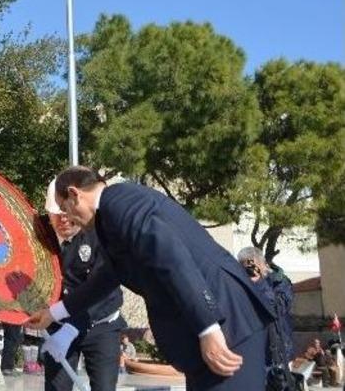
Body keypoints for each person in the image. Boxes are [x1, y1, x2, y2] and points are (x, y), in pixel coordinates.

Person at [27, 166, 275, 390]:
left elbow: (171, 257)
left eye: (66, 207)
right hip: (207, 330)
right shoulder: (110, 218)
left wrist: (208, 327)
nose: (68, 217)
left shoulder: (119, 203)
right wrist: (54, 313)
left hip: (226, 323)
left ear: (75, 193)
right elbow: (106, 278)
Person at [39, 177, 125, 391]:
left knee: (104, 387)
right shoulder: (40, 235)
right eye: (56, 215)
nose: (64, 220)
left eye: (67, 214)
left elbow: (102, 289)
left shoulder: (99, 232)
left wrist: (72, 329)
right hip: (59, 326)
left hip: (100, 324)